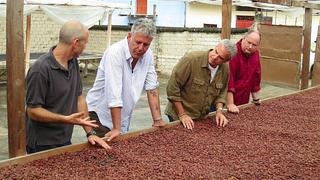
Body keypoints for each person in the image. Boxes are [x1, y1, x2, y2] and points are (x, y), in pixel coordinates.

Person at [25, 20, 110, 154]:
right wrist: (65, 119)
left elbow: (79, 99)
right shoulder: (40, 69)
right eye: (85, 43)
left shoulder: (73, 62)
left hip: (64, 139)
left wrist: (90, 133)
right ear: (75, 43)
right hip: (41, 143)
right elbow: (33, 111)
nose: (85, 47)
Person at [86, 18, 166, 140]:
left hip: (121, 117)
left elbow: (152, 88)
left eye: (146, 44)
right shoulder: (115, 53)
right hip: (99, 114)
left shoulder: (148, 55)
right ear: (129, 36)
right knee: (106, 155)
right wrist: (116, 128)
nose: (141, 48)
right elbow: (114, 92)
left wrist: (158, 120)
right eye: (138, 42)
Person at [165, 39, 237, 130]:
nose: (215, 57)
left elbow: (222, 92)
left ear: (226, 61)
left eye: (221, 58)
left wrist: (219, 112)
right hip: (178, 114)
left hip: (201, 116)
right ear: (215, 47)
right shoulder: (191, 59)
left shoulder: (225, 69)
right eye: (216, 52)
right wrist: (182, 114)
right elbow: (172, 87)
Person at [226, 30, 261, 114]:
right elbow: (228, 80)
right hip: (226, 101)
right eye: (248, 42)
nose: (250, 47)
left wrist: (256, 100)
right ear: (243, 38)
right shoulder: (233, 52)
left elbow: (256, 77)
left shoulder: (256, 54)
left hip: (243, 100)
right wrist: (230, 104)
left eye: (254, 45)